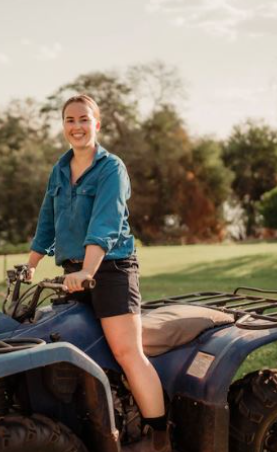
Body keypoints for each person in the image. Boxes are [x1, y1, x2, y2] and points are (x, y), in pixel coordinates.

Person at [26, 94, 171, 452]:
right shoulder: (59, 170)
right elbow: (48, 222)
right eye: (70, 120)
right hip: (75, 272)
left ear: (97, 124)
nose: (77, 127)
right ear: (63, 126)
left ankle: (161, 436)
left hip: (111, 269)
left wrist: (89, 270)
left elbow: (104, 225)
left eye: (84, 120)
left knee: (126, 352)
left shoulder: (111, 169)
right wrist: (29, 265)